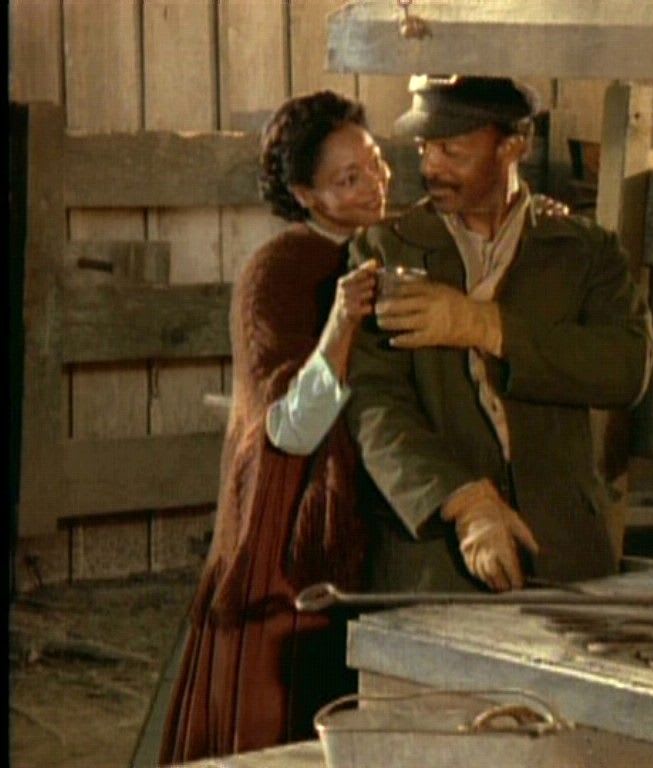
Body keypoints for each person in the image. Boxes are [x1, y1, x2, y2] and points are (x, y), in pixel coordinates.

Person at [344, 75, 653, 595]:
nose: (430, 167)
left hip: (565, 552)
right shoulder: (386, 249)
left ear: (514, 146)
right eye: (424, 148)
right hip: (436, 564)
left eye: (452, 151)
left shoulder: (584, 251)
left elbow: (625, 370)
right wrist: (463, 501)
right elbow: (373, 405)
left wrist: (483, 324)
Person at [158, 91, 388, 764]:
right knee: (282, 723)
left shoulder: (390, 247)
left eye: (376, 163)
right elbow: (287, 429)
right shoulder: (276, 272)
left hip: (373, 517)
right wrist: (340, 327)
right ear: (305, 195)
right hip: (284, 531)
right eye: (349, 179)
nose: (375, 185)